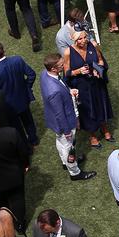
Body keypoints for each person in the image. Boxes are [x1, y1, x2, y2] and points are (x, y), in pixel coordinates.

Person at [40, 53, 96, 182]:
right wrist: (66, 131)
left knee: (61, 143)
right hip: (64, 123)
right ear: (53, 68)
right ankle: (74, 172)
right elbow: (60, 113)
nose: (64, 66)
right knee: (68, 146)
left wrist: (69, 92)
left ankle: (66, 163)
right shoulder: (54, 91)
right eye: (60, 65)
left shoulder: (45, 74)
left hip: (54, 120)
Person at [64, 31, 114, 149]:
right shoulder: (68, 52)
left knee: (100, 104)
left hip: (96, 83)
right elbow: (66, 72)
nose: (83, 40)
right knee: (87, 110)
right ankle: (92, 136)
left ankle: (104, 128)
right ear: (74, 40)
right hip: (81, 86)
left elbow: (101, 60)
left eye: (85, 37)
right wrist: (78, 71)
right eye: (80, 39)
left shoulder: (93, 45)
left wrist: (98, 68)